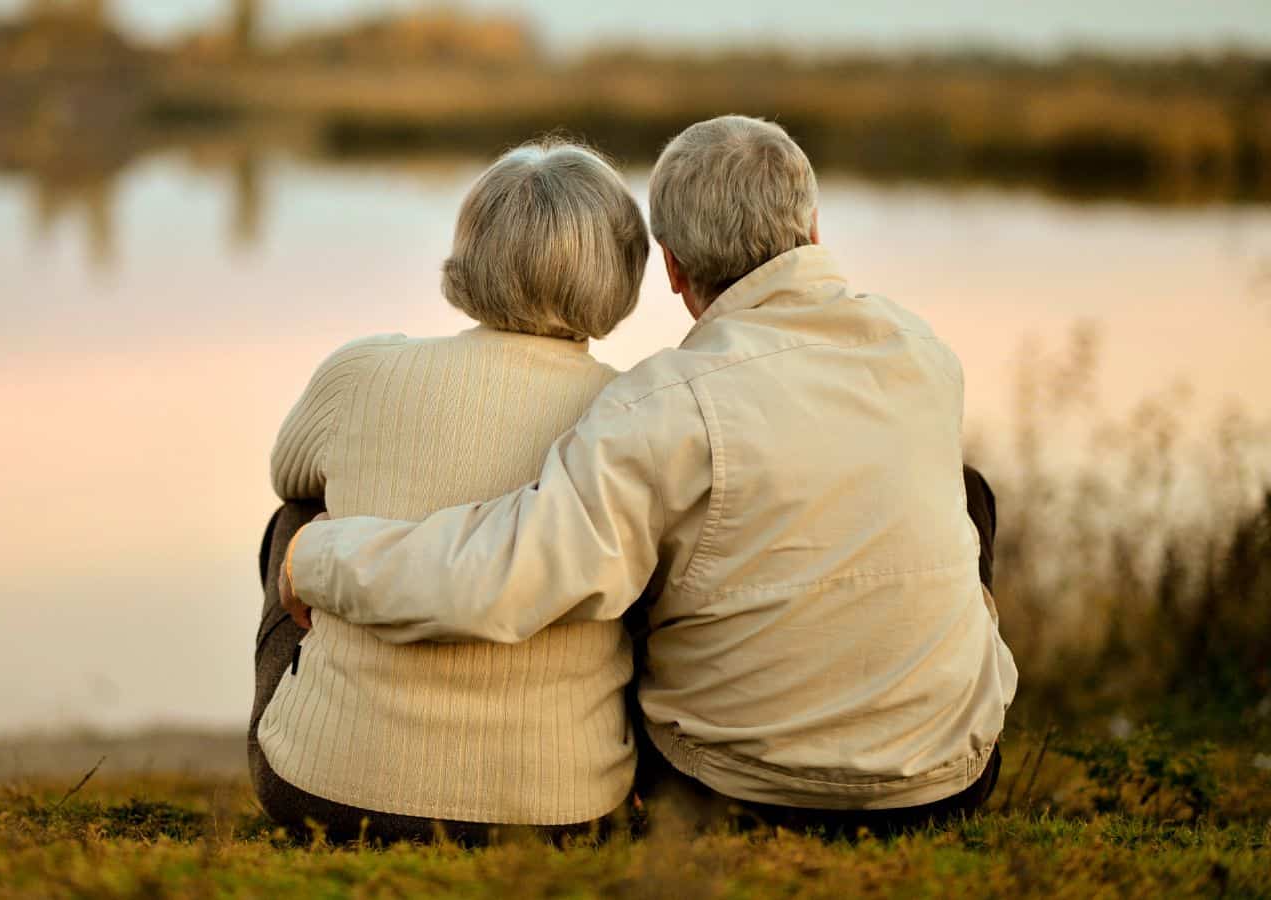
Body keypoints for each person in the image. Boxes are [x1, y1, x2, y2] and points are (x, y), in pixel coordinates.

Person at [281, 116, 1018, 835]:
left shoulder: (665, 405)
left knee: (636, 550)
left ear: (669, 266)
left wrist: (314, 553)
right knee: (966, 492)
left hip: (734, 788)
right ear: (815, 228)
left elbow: (507, 574)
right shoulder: (924, 353)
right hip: (947, 781)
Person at [252, 140, 651, 843]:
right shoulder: (633, 412)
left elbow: (289, 474)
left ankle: (331, 720)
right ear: (622, 270)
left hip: (325, 790)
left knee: (298, 519)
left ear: (470, 253)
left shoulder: (362, 371)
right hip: (563, 808)